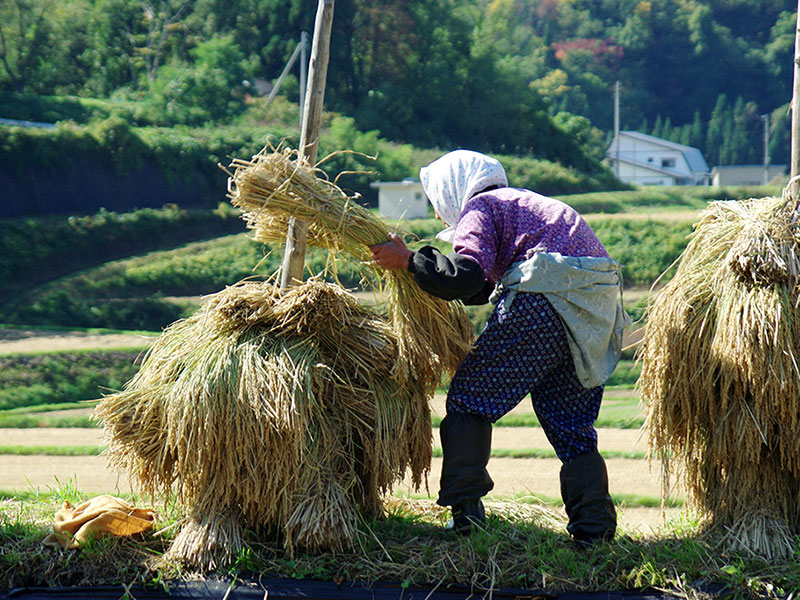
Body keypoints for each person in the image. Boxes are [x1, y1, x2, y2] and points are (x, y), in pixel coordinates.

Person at [369, 149, 630, 545]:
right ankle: (594, 534)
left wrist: (408, 261)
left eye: (439, 203)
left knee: (468, 400)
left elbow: (466, 274)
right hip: (591, 315)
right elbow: (480, 286)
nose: (442, 216)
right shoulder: (525, 204)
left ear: (453, 190)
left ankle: (466, 519)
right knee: (572, 428)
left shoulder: (481, 208)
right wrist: (419, 268)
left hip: (544, 302)